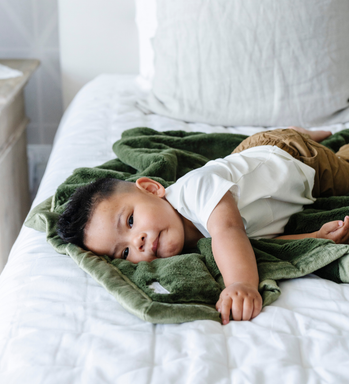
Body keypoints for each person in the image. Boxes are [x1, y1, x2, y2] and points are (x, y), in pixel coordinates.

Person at [57, 127, 349, 325]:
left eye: (131, 221)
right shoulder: (194, 244)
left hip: (294, 160)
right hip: (251, 160)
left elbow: (231, 232)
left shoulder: (198, 189)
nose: (139, 242)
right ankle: (303, 133)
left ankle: (309, 138)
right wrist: (313, 237)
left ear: (151, 188)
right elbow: (259, 244)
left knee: (343, 173)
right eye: (123, 253)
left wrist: (240, 284)